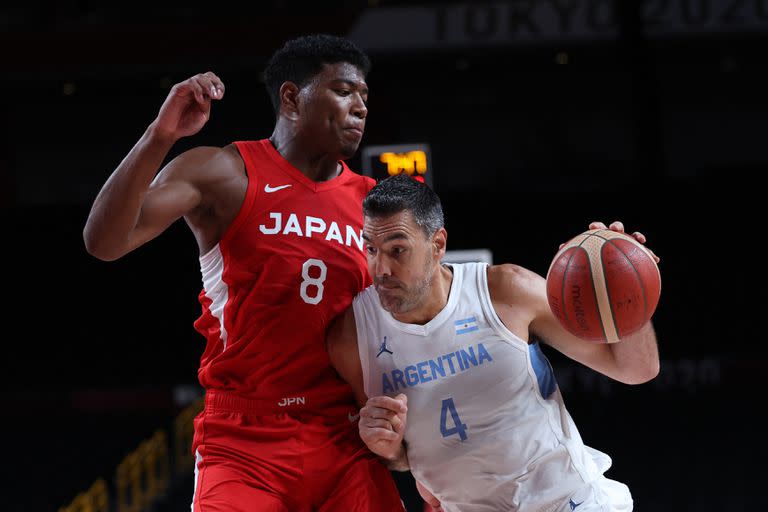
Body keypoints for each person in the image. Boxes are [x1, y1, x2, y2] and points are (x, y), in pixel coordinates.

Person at [83, 34, 405, 511]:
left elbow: (419, 312)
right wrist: (161, 136)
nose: (359, 107)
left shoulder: (375, 203)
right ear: (292, 98)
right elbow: (104, 242)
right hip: (244, 439)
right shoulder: (222, 171)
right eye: (342, 90)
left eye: (363, 96)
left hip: (344, 437)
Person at [326, 174, 661, 512]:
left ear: (438, 245)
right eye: (371, 249)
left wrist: (629, 294)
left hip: (570, 503)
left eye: (397, 250)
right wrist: (387, 448)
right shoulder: (352, 338)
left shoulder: (506, 292)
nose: (381, 267)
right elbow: (402, 458)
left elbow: (636, 369)